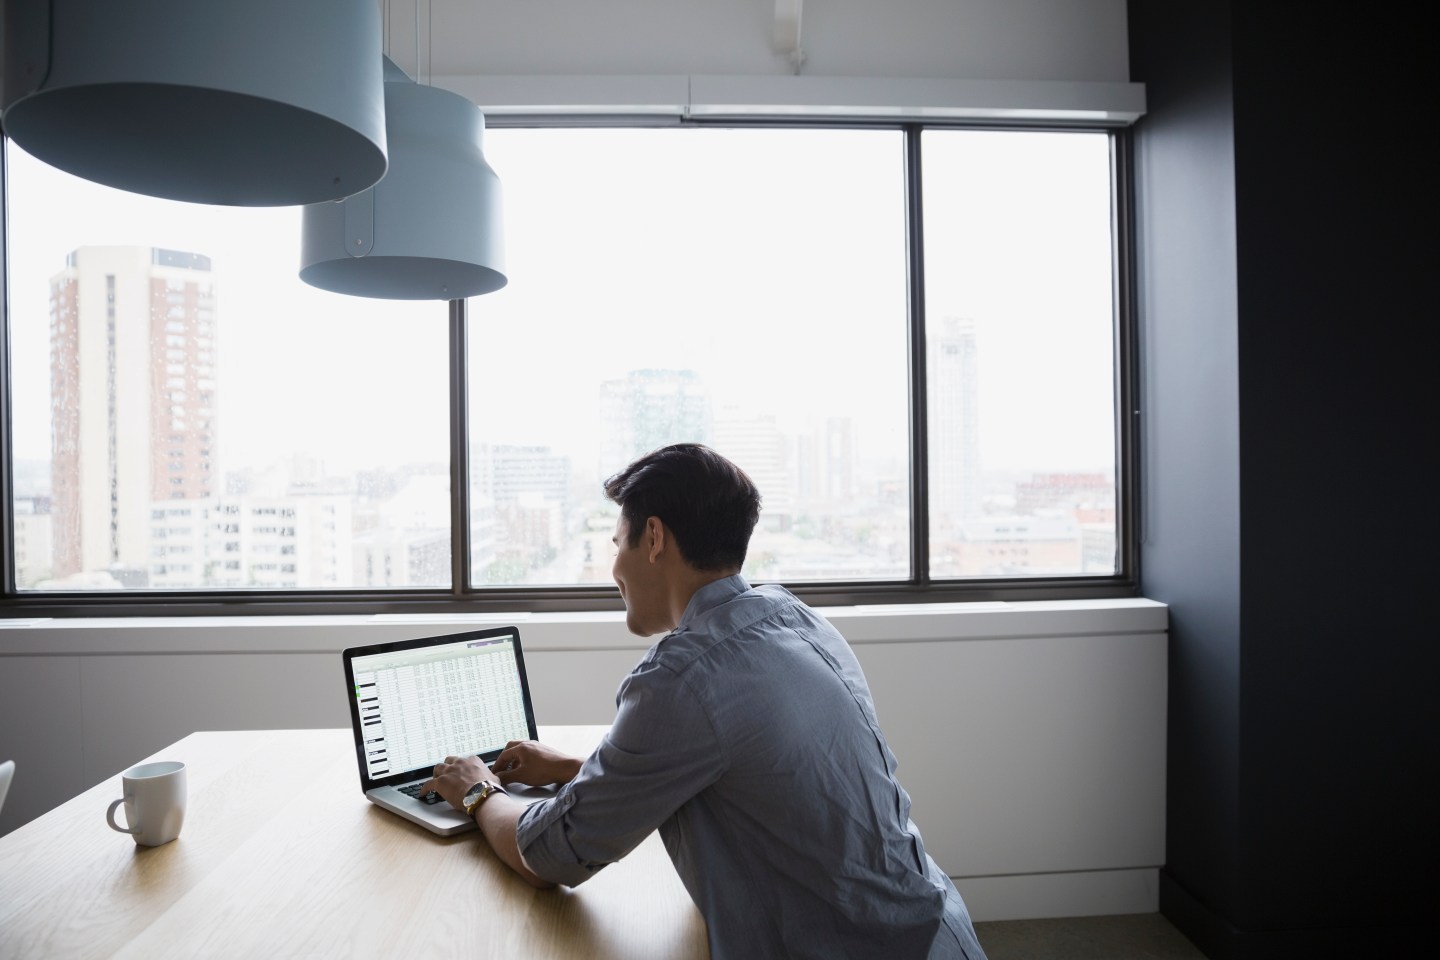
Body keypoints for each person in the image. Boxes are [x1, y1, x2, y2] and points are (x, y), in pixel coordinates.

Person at [422, 443, 987, 960]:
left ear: (654, 538)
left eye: (616, 545)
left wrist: (477, 788)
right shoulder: (794, 617)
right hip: (933, 930)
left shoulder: (681, 678)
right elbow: (759, 777)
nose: (613, 570)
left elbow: (549, 857)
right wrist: (578, 771)